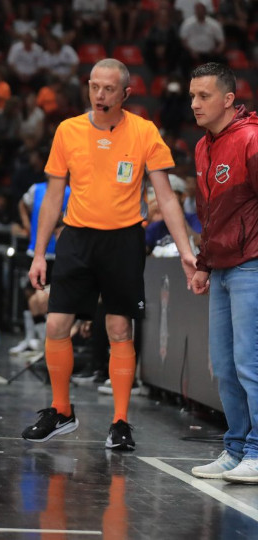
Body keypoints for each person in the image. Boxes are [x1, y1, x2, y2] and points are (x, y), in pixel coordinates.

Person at [20, 59, 197, 451]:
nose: (100, 95)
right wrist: (38, 253)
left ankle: (120, 422)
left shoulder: (144, 132)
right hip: (77, 238)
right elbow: (51, 197)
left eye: (109, 89)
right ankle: (61, 411)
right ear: (88, 87)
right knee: (56, 325)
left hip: (123, 240)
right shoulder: (68, 130)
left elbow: (165, 197)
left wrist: (186, 251)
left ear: (126, 94)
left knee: (119, 329)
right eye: (95, 87)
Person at [187, 63, 258, 483]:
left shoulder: (251, 139)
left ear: (228, 100)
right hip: (222, 267)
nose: (195, 104)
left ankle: (256, 451)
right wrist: (203, 264)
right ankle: (234, 449)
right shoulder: (202, 147)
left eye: (204, 96)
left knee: (251, 363)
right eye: (193, 96)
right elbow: (209, 214)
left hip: (252, 263)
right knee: (225, 365)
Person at [11, 179, 71, 355]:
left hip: (56, 254)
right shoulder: (36, 188)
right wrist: (26, 224)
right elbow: (22, 204)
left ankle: (48, 344)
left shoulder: (69, 191)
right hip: (36, 251)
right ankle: (32, 340)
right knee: (30, 296)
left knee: (43, 299)